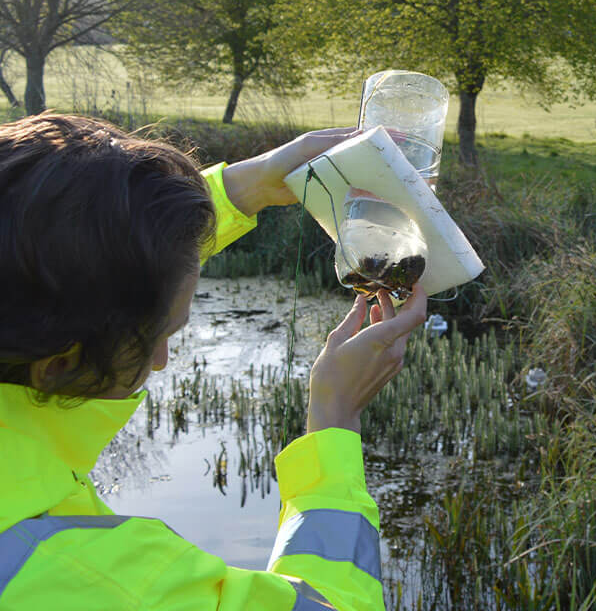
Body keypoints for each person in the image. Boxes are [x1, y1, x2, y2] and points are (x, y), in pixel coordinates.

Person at [0, 113, 429, 611]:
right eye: (162, 334)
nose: (161, 360)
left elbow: (57, 246)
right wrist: (334, 421)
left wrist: (243, 188)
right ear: (58, 364)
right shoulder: (101, 583)